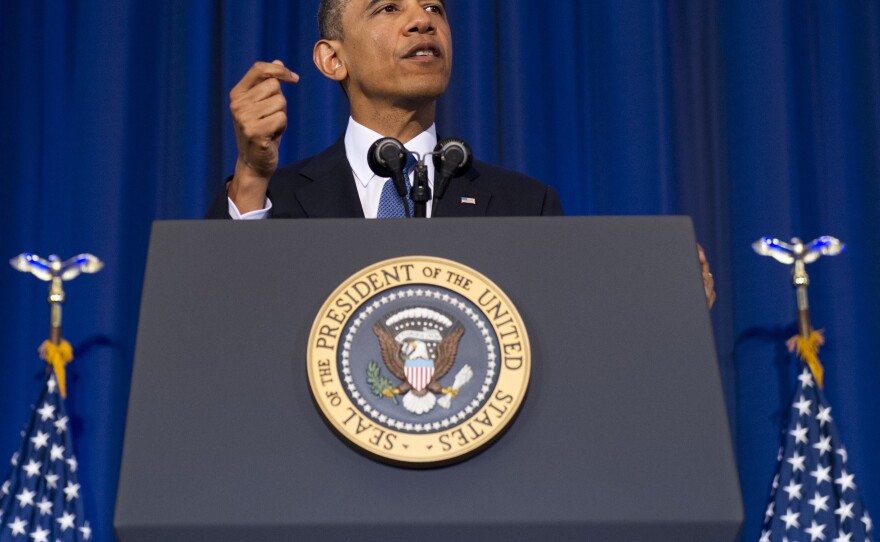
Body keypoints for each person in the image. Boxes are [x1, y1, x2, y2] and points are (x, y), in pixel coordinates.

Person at [205, 0, 715, 307]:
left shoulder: (523, 204)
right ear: (332, 58)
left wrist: (662, 307)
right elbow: (223, 319)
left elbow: (566, 343)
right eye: (388, 8)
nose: (422, 22)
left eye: (434, 9)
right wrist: (251, 174)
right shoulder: (280, 198)